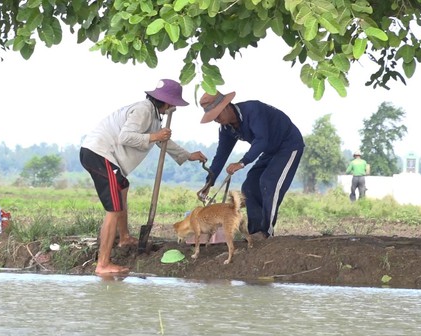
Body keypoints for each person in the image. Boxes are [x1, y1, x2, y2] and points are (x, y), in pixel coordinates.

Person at [80, 79, 207, 275]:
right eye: (173, 104)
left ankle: (123, 237)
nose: (173, 108)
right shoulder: (143, 110)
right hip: (100, 153)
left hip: (105, 156)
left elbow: (163, 141)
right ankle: (103, 264)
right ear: (166, 102)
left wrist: (187, 155)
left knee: (122, 187)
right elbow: (126, 137)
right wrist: (155, 136)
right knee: (113, 209)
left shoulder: (154, 117)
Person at [198, 90, 305, 240]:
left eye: (217, 115)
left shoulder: (253, 110)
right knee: (249, 186)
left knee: (269, 182)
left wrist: (242, 162)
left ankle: (266, 232)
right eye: (213, 117)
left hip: (288, 145)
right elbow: (221, 156)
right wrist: (209, 183)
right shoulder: (226, 128)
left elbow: (261, 140)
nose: (216, 119)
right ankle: (256, 232)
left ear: (227, 106)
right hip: (269, 151)